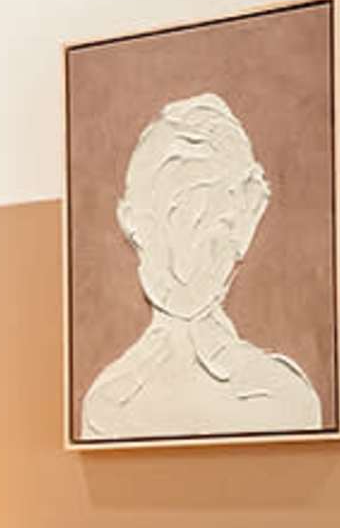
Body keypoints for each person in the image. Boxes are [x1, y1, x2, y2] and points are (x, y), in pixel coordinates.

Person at [78, 92, 319, 443]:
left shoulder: (284, 398)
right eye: (168, 218)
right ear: (130, 221)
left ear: (247, 222)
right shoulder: (105, 404)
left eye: (211, 227)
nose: (183, 265)